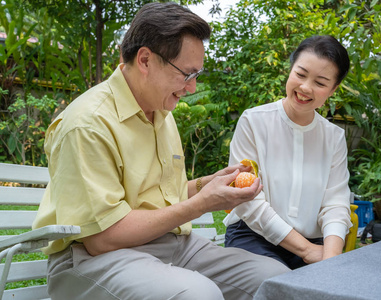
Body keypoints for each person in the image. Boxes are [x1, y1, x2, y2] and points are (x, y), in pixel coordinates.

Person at [32, 3, 289, 299]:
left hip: (171, 245)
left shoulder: (160, 113)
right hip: (91, 259)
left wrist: (212, 184)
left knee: (274, 280)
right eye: (187, 74)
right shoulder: (87, 124)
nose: (192, 88)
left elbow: (161, 197)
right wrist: (202, 204)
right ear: (145, 60)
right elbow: (102, 238)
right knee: (198, 295)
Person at [224, 35, 353, 270]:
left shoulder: (334, 137)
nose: (305, 88)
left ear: (333, 89)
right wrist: (307, 250)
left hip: (316, 243)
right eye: (300, 74)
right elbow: (247, 201)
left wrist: (331, 258)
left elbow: (336, 202)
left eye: (320, 83)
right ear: (290, 69)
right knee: (276, 279)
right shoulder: (253, 121)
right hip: (252, 237)